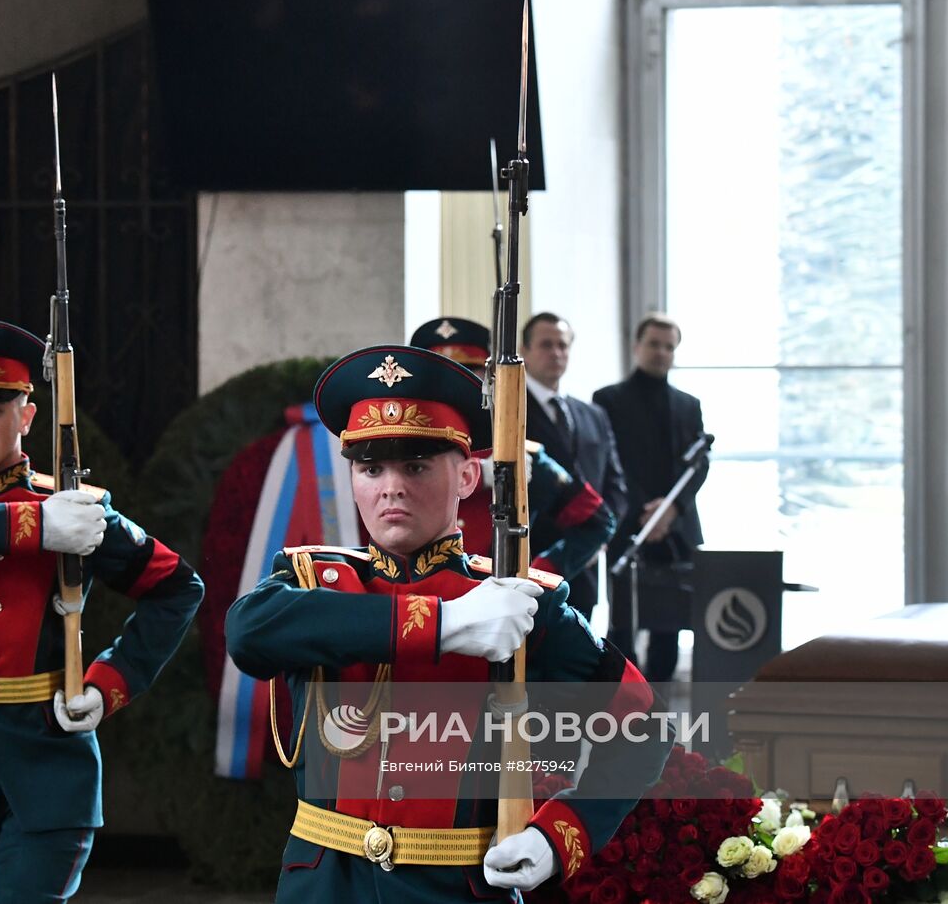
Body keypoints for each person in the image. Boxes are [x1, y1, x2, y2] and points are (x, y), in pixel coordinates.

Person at [226, 344, 670, 902]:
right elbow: (247, 632)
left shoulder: (519, 601)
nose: (390, 486)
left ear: (465, 478)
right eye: (370, 468)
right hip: (323, 885)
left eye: (415, 466)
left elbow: (645, 725)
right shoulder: (311, 580)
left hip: (453, 887)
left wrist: (560, 835)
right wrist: (445, 624)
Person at [0, 317, 204, 904]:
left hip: (47, 761)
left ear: (26, 416)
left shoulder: (72, 507)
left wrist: (109, 685)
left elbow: (178, 587)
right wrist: (35, 526)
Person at [410, 316, 615, 580]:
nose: (455, 387)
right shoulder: (393, 448)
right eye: (443, 376)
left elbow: (597, 522)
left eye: (471, 372)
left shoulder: (518, 455)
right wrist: (476, 477)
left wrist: (537, 577)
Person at [593, 312, 708, 683]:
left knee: (670, 627)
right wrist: (647, 510)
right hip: (630, 526)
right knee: (623, 625)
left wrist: (671, 509)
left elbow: (698, 466)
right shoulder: (608, 399)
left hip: (677, 529)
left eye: (669, 346)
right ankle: (626, 712)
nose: (661, 352)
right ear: (636, 347)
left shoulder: (689, 405)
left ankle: (661, 719)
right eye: (654, 344)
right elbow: (612, 464)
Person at [521, 312, 628, 622]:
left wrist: (600, 537)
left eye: (562, 345)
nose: (556, 353)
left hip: (587, 563)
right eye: (545, 345)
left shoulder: (592, 414)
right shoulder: (508, 412)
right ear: (525, 351)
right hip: (534, 558)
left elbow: (616, 485)